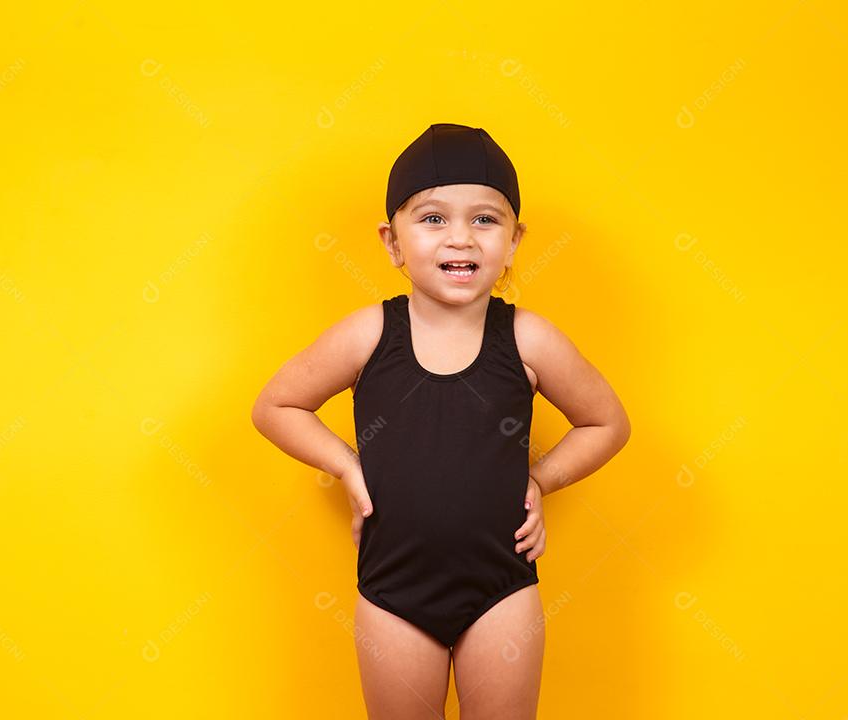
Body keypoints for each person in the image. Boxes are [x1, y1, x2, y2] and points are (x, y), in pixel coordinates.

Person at [252, 123, 631, 719]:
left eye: (486, 219)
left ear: (514, 240)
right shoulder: (368, 333)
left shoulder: (529, 338)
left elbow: (606, 423)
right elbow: (275, 406)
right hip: (393, 594)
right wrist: (347, 468)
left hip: (500, 590)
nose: (462, 238)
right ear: (392, 241)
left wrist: (541, 480)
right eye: (433, 219)